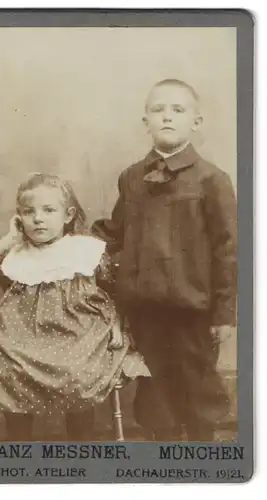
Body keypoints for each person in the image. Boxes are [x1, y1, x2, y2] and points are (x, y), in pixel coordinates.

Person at [92, 79, 237, 441]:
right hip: (144, 310)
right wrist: (67, 246)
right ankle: (163, 472)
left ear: (196, 121)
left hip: (193, 309)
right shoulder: (131, 178)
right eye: (158, 110)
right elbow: (116, 232)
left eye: (178, 110)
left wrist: (224, 313)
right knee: (155, 397)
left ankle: (204, 467)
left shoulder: (212, 180)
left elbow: (229, 249)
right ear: (146, 122)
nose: (167, 117)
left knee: (198, 389)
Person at [0, 173, 149, 441]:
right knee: (6, 372)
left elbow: (114, 289)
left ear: (68, 214)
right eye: (28, 212)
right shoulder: (16, 255)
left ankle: (81, 446)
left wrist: (119, 326)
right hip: (23, 341)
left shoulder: (84, 251)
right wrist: (10, 241)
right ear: (19, 218)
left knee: (77, 373)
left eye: (49, 210)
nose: (38, 218)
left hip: (80, 336)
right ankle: (19, 451)